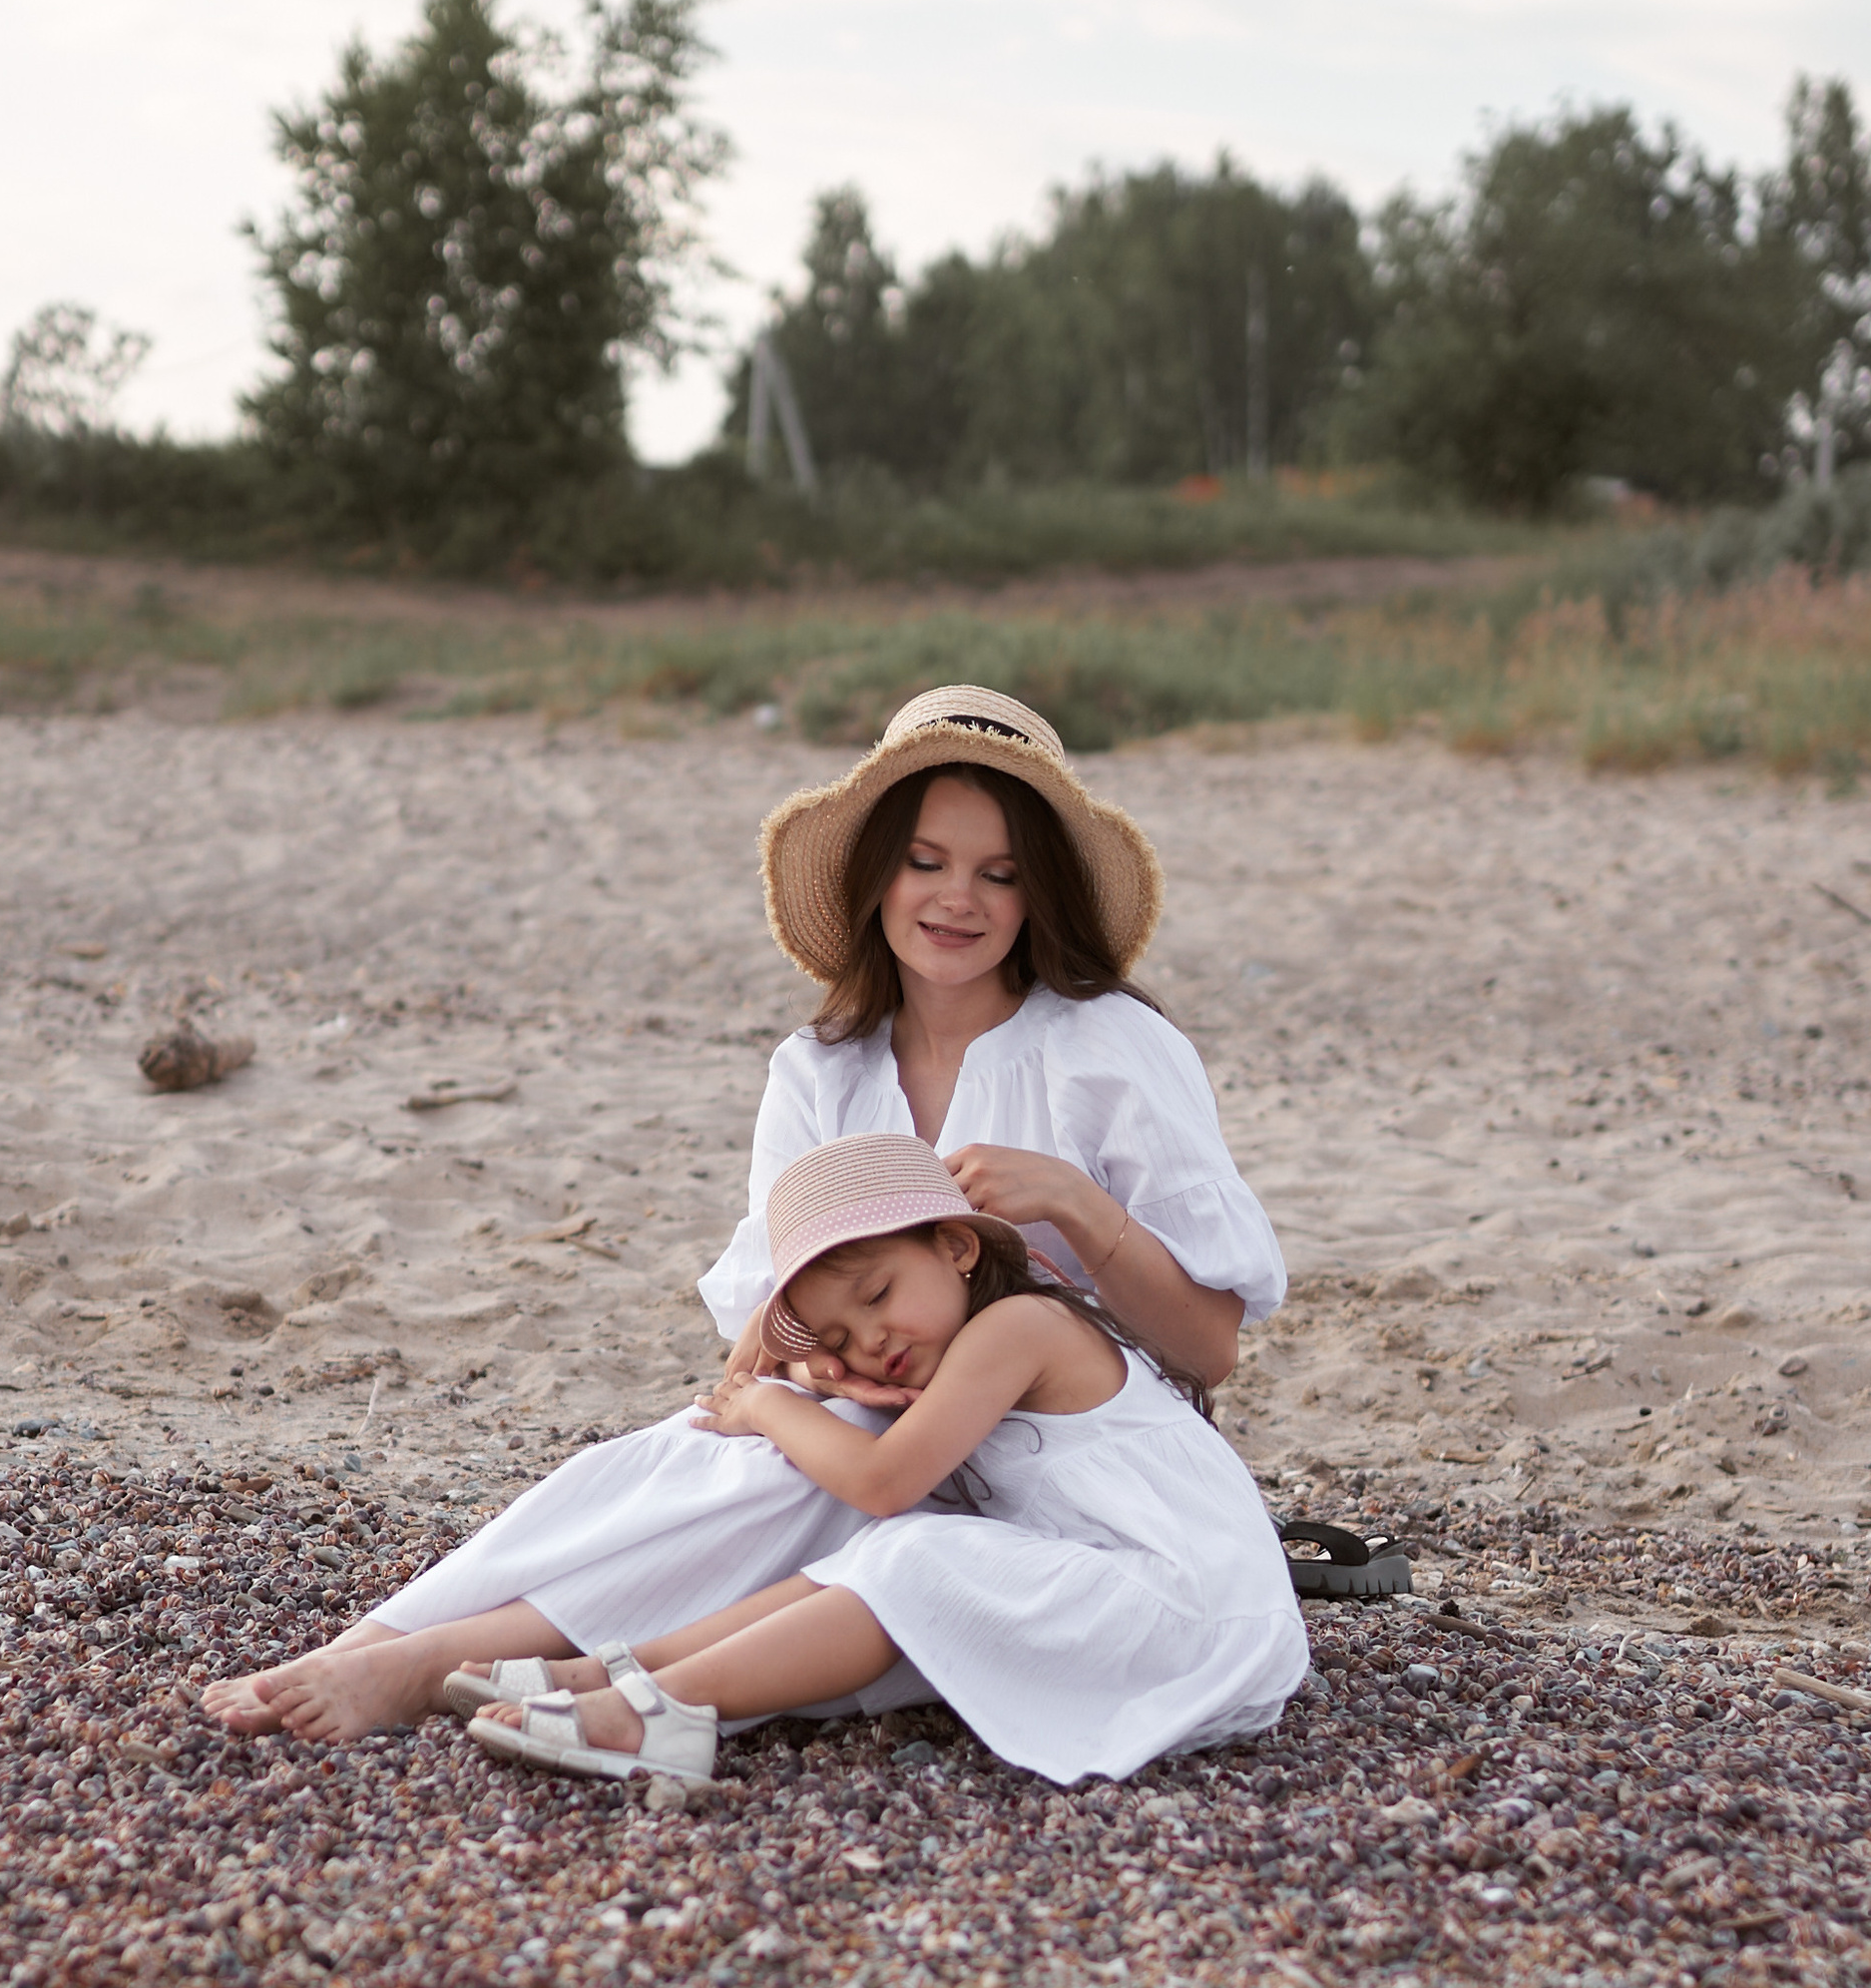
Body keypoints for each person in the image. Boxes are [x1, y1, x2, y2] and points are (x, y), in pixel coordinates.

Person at [201, 683, 1286, 1746]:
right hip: (906, 1413)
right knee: (720, 1449)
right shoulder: (821, 1068)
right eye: (925, 862)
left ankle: (541, 1678)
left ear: (1036, 896)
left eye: (998, 875)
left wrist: (1078, 1209)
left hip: (1082, 1458)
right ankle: (397, 1644)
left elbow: (1210, 1348)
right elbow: (772, 1330)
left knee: (823, 1460)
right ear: (876, 875)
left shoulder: (1108, 1048)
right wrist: (828, 1376)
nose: (958, 899)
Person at [464, 1132, 1307, 1793]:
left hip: (1197, 1618)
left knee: (913, 1546)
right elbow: (779, 1375)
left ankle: (666, 1714)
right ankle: (622, 1668)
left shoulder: (1020, 1331)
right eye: (837, 1339)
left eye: (877, 1298)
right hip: (1141, 1596)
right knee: (880, 1553)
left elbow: (880, 1480)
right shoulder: (964, 1344)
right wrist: (799, 1370)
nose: (869, 1342)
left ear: (957, 1249)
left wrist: (769, 1407)